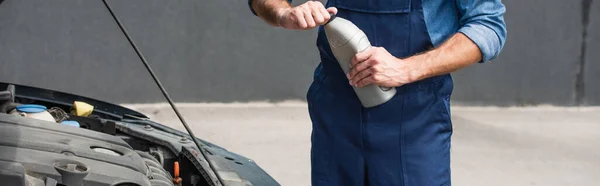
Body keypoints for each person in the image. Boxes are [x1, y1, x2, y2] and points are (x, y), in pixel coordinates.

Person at [248, 0, 507, 185]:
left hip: (413, 120)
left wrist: (407, 68)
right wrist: (284, 14)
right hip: (337, 114)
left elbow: (488, 26)